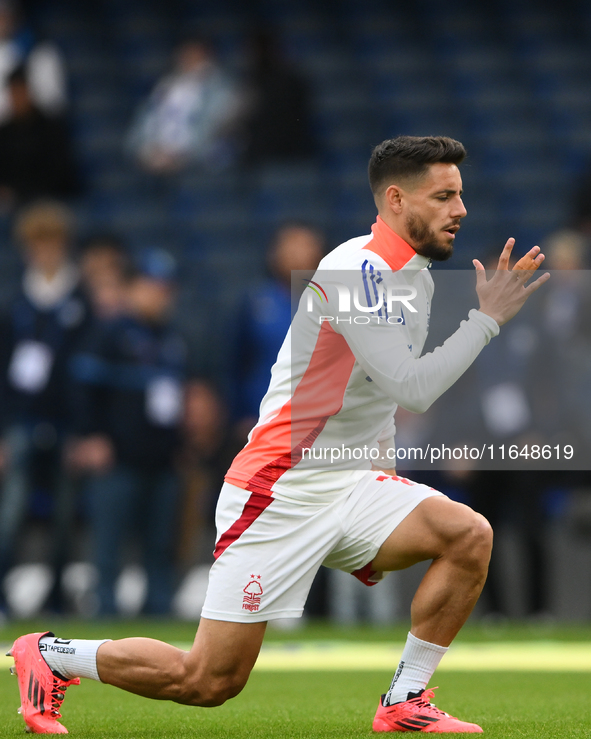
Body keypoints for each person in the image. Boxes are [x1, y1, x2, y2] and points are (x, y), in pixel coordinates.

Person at [8, 135, 549, 734]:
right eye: (444, 196)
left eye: (461, 196)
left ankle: (405, 701)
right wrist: (486, 320)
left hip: (348, 481)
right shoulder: (355, 270)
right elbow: (411, 387)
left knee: (467, 535)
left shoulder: (413, 276)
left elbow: (370, 394)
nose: (461, 210)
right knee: (209, 680)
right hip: (280, 488)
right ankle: (52, 656)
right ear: (396, 200)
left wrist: (386, 472)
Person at [67, 248, 187, 616]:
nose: (159, 295)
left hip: (162, 459)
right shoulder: (110, 333)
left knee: (159, 545)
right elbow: (82, 390)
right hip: (117, 458)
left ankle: (160, 613)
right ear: (132, 288)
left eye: (166, 289)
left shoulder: (172, 339)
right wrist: (91, 436)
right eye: (151, 286)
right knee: (110, 544)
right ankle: (104, 611)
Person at [0, 200, 89, 616]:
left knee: (64, 513)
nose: (45, 252)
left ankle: (56, 594)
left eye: (52, 243)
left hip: (68, 422)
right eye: (37, 244)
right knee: (12, 508)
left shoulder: (81, 301)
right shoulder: (16, 303)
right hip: (22, 419)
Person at [126, 37, 242, 174]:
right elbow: (144, 123)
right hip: (157, 158)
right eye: (184, 55)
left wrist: (179, 157)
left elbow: (214, 129)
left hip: (198, 162)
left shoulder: (222, 88)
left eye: (193, 55)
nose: (187, 59)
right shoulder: (167, 85)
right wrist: (147, 152)